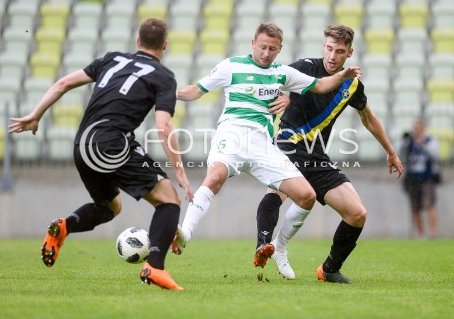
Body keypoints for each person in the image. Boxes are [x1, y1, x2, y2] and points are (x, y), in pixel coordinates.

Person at [8, 18, 193, 291]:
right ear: (165, 45)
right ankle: (155, 267)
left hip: (82, 144)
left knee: (110, 207)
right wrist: (179, 169)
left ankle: (65, 226)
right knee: (169, 200)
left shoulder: (112, 59)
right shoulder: (163, 77)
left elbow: (63, 83)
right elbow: (164, 126)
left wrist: (35, 116)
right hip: (111, 144)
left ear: (137, 42)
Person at [169, 22, 362, 264]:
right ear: (253, 44)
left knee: (306, 196)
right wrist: (167, 93)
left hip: (262, 144)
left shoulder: (282, 73)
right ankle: (185, 233)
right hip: (233, 135)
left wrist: (342, 75)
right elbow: (194, 92)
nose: (266, 53)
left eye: (272, 49)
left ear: (279, 49)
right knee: (215, 176)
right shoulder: (231, 66)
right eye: (262, 47)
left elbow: (321, 85)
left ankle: (279, 247)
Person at [253, 24, 404, 283]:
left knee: (357, 214)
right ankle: (264, 245)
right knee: (276, 190)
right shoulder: (304, 67)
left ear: (349, 53)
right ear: (324, 46)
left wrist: (391, 151)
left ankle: (329, 269)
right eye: (330, 49)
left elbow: (368, 118)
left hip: (316, 155)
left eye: (340, 51)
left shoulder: (352, 85)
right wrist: (284, 96)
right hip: (288, 142)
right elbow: (270, 83)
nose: (333, 56)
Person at [400, 118, 440, 238]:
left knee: (429, 204)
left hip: (427, 178)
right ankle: (421, 234)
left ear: (423, 128)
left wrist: (422, 144)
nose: (416, 129)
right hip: (412, 178)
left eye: (418, 126)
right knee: (415, 207)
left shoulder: (430, 141)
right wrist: (406, 143)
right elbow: (401, 156)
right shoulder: (409, 142)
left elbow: (435, 156)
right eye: (415, 127)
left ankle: (433, 233)